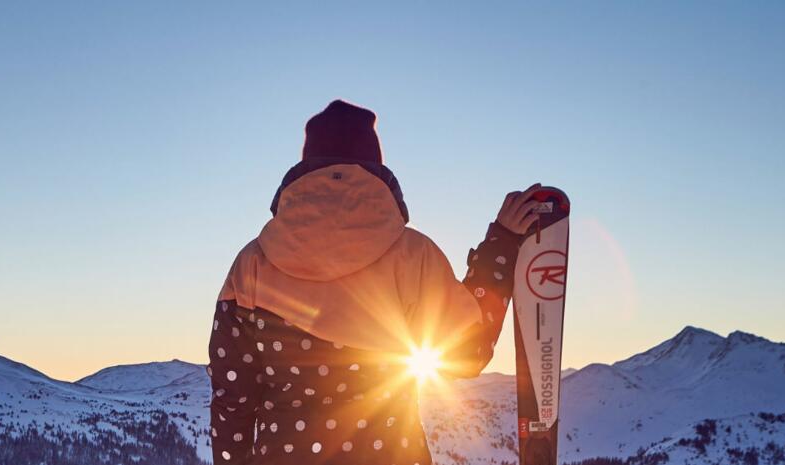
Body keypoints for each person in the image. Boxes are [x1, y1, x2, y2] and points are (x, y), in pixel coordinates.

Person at [207, 99, 543, 464]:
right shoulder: (412, 255)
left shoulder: (252, 264)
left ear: (304, 170)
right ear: (376, 169)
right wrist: (502, 246)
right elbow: (466, 353)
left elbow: (233, 405)